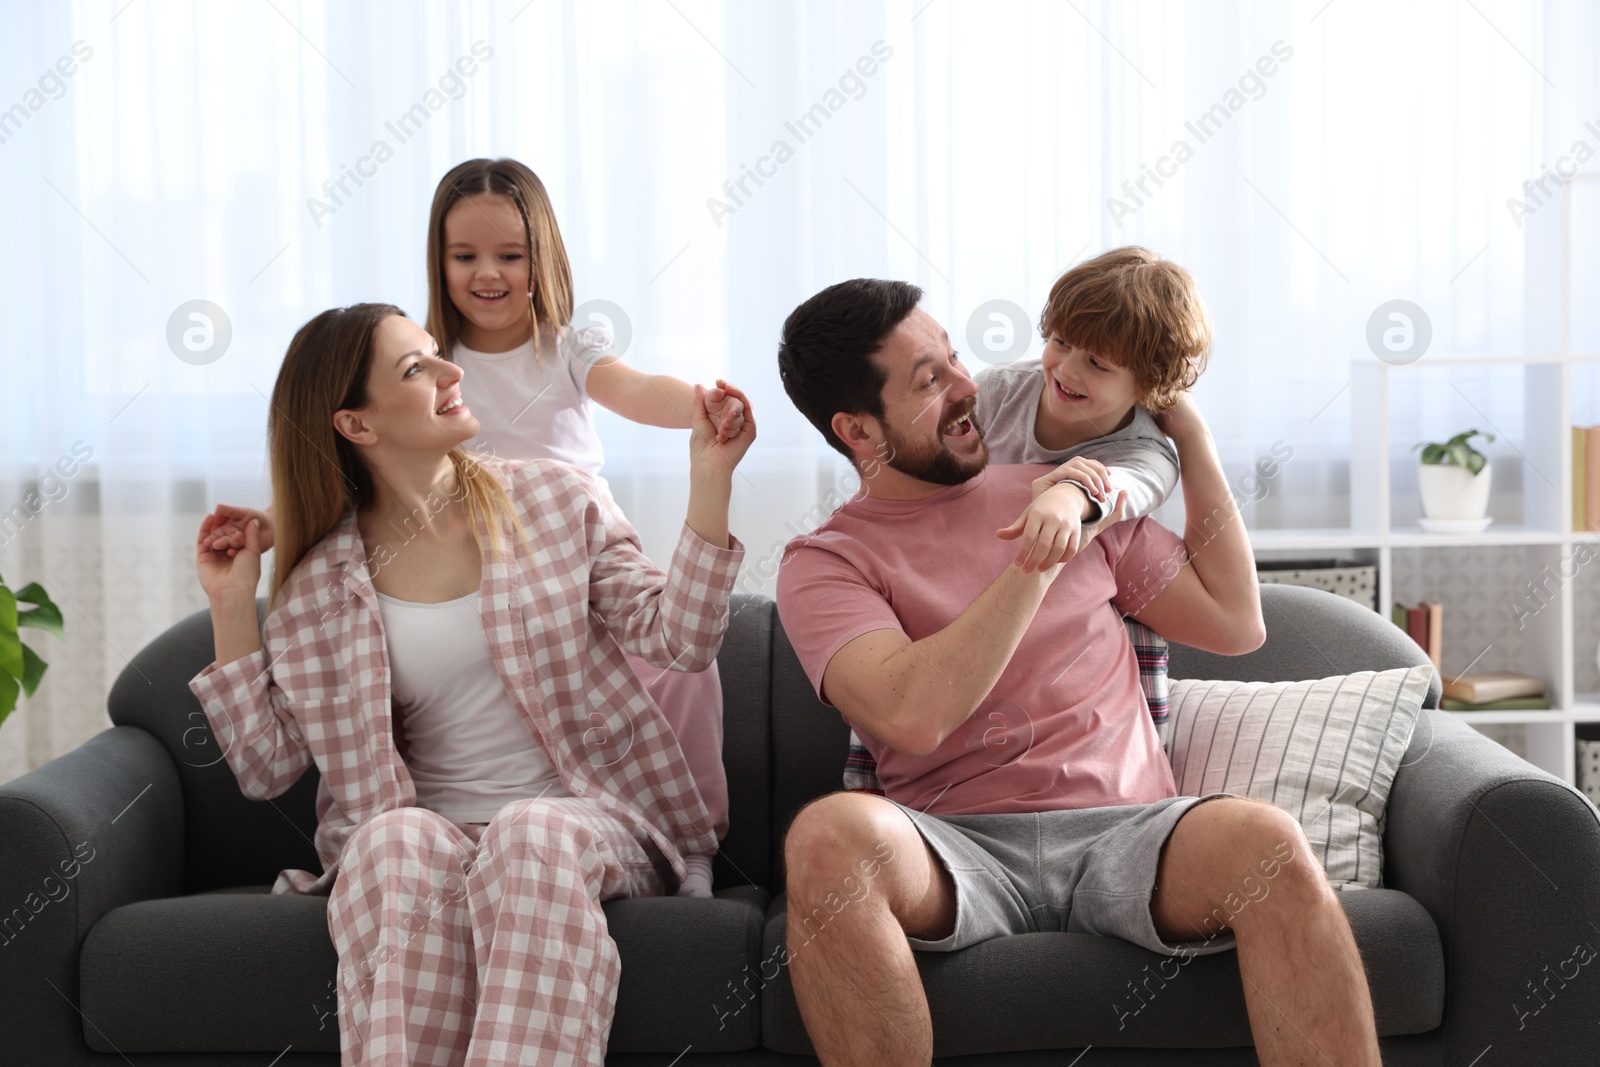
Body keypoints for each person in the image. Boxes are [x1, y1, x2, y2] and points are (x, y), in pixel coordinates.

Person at [773, 278, 1382, 1066]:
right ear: (858, 430)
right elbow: (912, 713)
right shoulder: (826, 563)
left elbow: (1236, 622)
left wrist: (1186, 435)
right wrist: (1040, 554)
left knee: (1266, 838)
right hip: (953, 846)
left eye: (954, 357)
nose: (969, 387)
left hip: (1130, 830)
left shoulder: (1077, 491)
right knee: (826, 835)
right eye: (930, 380)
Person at [191, 302, 752, 1065]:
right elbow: (266, 768)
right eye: (417, 368)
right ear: (356, 424)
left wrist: (709, 479)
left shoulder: (555, 501)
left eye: (434, 353)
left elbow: (680, 639)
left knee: (531, 828)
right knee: (388, 841)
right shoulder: (321, 582)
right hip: (424, 835)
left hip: (584, 818)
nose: (454, 371)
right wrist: (233, 604)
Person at [423, 156, 744, 896]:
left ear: (543, 258)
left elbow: (632, 390)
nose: (487, 274)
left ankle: (691, 841)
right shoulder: (431, 360)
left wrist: (698, 404)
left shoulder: (567, 344)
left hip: (579, 552)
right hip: (478, 561)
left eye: (510, 255)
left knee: (684, 667)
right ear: (438, 260)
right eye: (464, 256)